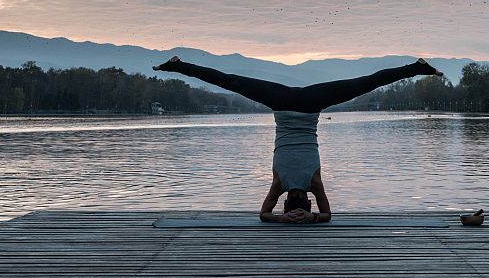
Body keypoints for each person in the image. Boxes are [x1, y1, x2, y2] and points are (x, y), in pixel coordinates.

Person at [152, 56, 443, 223]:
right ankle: (417, 67)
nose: (301, 201)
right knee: (365, 83)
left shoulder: (279, 186)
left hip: (281, 102)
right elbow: (327, 214)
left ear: (287, 204)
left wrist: (282, 220)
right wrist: (313, 219)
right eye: (305, 204)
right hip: (312, 103)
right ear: (307, 201)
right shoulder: (314, 184)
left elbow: (264, 214)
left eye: (296, 206)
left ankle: (178, 65)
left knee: (232, 81)